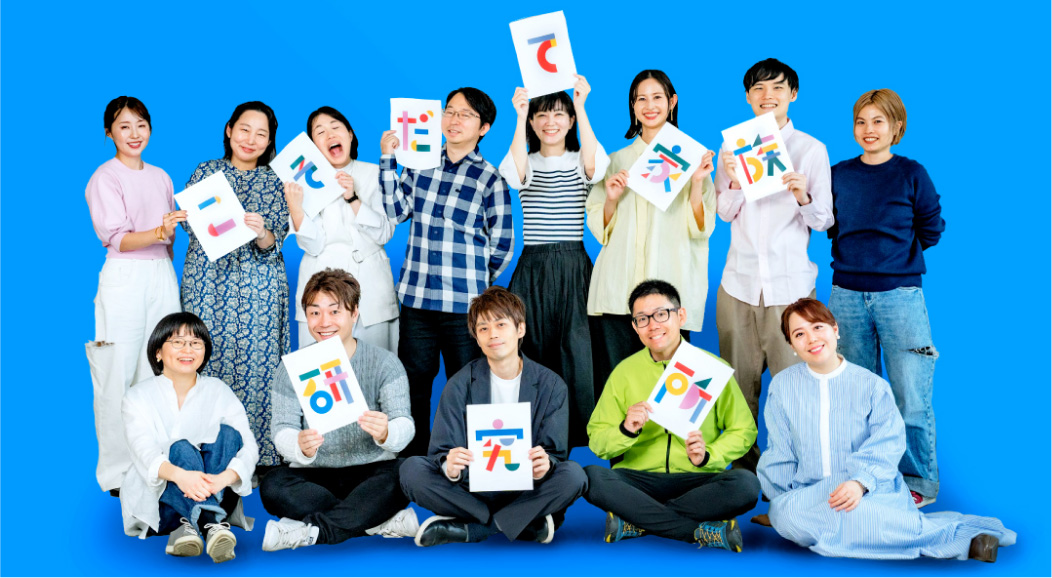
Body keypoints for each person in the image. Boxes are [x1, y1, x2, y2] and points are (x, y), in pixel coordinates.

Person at [757, 298, 1014, 561]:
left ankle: (964, 539)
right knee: (787, 516)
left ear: (835, 330)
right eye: (799, 334)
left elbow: (888, 442)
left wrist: (859, 483)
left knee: (858, 514)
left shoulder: (872, 386)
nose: (811, 338)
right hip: (809, 496)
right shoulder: (783, 387)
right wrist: (782, 500)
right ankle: (910, 532)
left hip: (867, 489)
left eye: (818, 327)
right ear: (791, 345)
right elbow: (780, 450)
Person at [714, 58, 835, 473]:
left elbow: (823, 220)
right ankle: (743, 480)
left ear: (793, 94)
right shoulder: (732, 148)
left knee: (796, 390)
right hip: (739, 285)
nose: (768, 97)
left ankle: (797, 477)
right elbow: (723, 212)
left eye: (778, 88)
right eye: (759, 89)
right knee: (737, 389)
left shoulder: (811, 149)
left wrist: (802, 195)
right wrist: (733, 181)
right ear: (748, 97)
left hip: (791, 290)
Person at [828, 89, 946, 507]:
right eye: (861, 121)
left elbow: (931, 227)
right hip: (845, 295)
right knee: (855, 396)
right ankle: (862, 480)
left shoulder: (912, 173)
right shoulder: (838, 174)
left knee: (910, 395)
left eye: (878, 121)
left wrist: (895, 259)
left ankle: (918, 483)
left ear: (896, 127)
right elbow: (830, 225)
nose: (869, 129)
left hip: (900, 296)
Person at [380, 87, 513, 456]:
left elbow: (502, 245)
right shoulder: (419, 163)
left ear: (483, 128)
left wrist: (475, 285)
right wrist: (388, 160)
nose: (454, 120)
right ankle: (413, 467)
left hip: (464, 307)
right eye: (450, 111)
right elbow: (396, 212)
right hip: (417, 300)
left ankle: (468, 465)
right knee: (413, 386)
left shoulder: (490, 179)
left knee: (467, 387)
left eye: (466, 115)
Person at [399, 286, 587, 546]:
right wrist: (449, 467)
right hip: (471, 489)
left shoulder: (551, 385)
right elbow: (441, 451)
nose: (493, 334)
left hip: (526, 489)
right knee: (411, 470)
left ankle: (476, 529)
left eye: (501, 324)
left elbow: (555, 454)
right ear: (476, 338)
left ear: (520, 329)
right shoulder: (459, 384)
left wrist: (545, 465)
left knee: (574, 476)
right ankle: (521, 523)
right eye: (483, 328)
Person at [584, 280, 759, 551]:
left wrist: (709, 454)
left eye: (661, 314)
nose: (653, 325)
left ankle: (637, 520)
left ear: (681, 316)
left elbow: (744, 429)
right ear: (635, 327)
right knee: (591, 477)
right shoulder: (624, 372)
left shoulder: (713, 368)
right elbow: (597, 439)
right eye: (642, 319)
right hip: (639, 480)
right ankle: (700, 531)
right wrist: (625, 430)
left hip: (698, 479)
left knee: (746, 484)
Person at [260, 268, 417, 551]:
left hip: (372, 471)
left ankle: (315, 532)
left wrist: (387, 433)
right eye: (314, 312)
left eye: (335, 311)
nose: (324, 322)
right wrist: (299, 445)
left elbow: (404, 423)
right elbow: (281, 429)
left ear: (354, 313)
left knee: (407, 472)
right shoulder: (291, 368)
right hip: (314, 475)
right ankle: (374, 520)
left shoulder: (385, 363)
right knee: (272, 485)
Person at [585, 70, 716, 400]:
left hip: (670, 292)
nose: (649, 105)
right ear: (632, 106)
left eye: (657, 97)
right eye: (640, 98)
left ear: (672, 102)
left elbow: (701, 228)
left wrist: (696, 183)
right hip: (618, 292)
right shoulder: (615, 161)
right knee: (617, 388)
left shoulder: (693, 159)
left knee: (674, 395)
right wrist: (611, 198)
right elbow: (600, 230)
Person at [498, 76, 610, 448]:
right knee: (531, 350)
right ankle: (533, 441)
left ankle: (570, 443)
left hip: (574, 263)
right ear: (533, 122)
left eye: (559, 114)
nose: (550, 121)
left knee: (578, 352)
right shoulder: (525, 159)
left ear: (571, 121)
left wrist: (580, 104)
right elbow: (514, 176)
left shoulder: (580, 159)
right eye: (542, 115)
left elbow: (596, 168)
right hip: (533, 265)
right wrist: (519, 115)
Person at [181, 101, 291, 470]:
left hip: (258, 290)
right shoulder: (206, 171)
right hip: (208, 284)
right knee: (204, 361)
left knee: (257, 369)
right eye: (244, 129)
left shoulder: (274, 180)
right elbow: (189, 224)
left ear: (270, 141)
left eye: (261, 134)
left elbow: (275, 241)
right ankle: (201, 460)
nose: (251, 139)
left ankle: (253, 461)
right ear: (229, 130)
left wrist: (262, 232)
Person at [85, 96, 184, 494]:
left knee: (162, 367)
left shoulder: (161, 176)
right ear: (109, 132)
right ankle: (116, 472)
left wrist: (166, 238)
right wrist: (159, 232)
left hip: (161, 272)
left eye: (141, 124)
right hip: (125, 276)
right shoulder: (104, 177)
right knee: (118, 371)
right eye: (124, 126)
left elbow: (168, 240)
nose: (134, 133)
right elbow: (118, 238)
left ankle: (154, 463)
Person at [120, 312, 258, 563]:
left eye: (196, 343)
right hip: (162, 504)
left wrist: (224, 478)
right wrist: (181, 476)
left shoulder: (218, 390)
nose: (188, 349)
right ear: (158, 352)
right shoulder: (137, 397)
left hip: (216, 489)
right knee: (181, 448)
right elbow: (143, 451)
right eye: (178, 342)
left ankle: (190, 528)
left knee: (229, 434)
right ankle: (209, 524)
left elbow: (249, 445)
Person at [286, 106, 399, 351]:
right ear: (313, 146)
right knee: (322, 367)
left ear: (350, 134)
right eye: (320, 132)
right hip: (320, 285)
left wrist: (353, 198)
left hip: (370, 286)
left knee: (375, 364)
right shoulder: (302, 182)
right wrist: (296, 209)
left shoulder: (376, 174)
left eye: (335, 127)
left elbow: (384, 233)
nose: (330, 134)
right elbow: (312, 245)